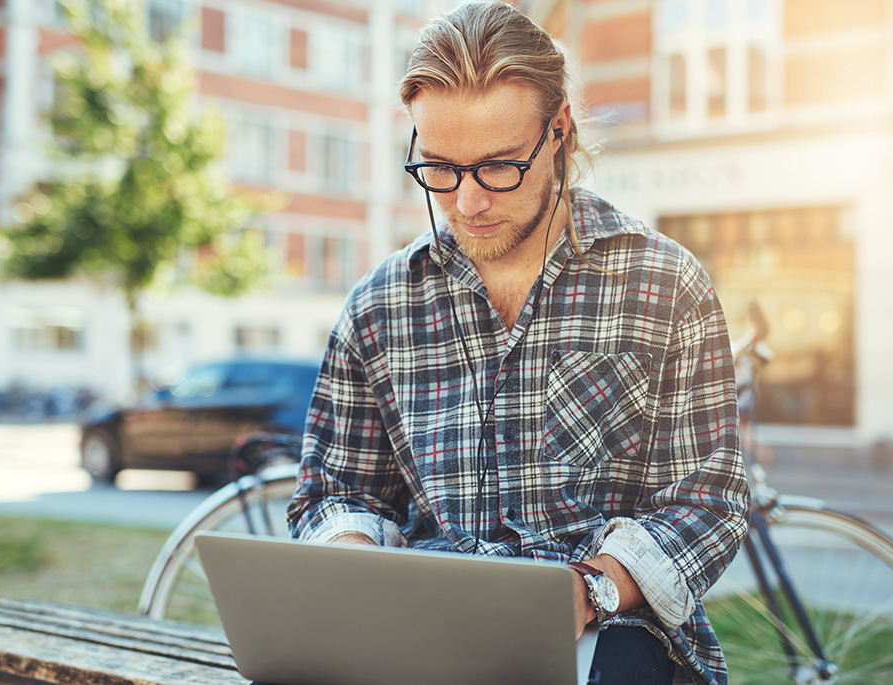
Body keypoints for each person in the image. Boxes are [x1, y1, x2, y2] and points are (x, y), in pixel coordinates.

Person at [287, 3, 750, 684]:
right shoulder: (378, 305)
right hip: (428, 621)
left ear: (557, 130)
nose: (468, 201)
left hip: (614, 624)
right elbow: (333, 490)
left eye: (499, 166)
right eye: (439, 168)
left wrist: (592, 586)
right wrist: (354, 557)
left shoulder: (666, 283)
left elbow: (708, 501)